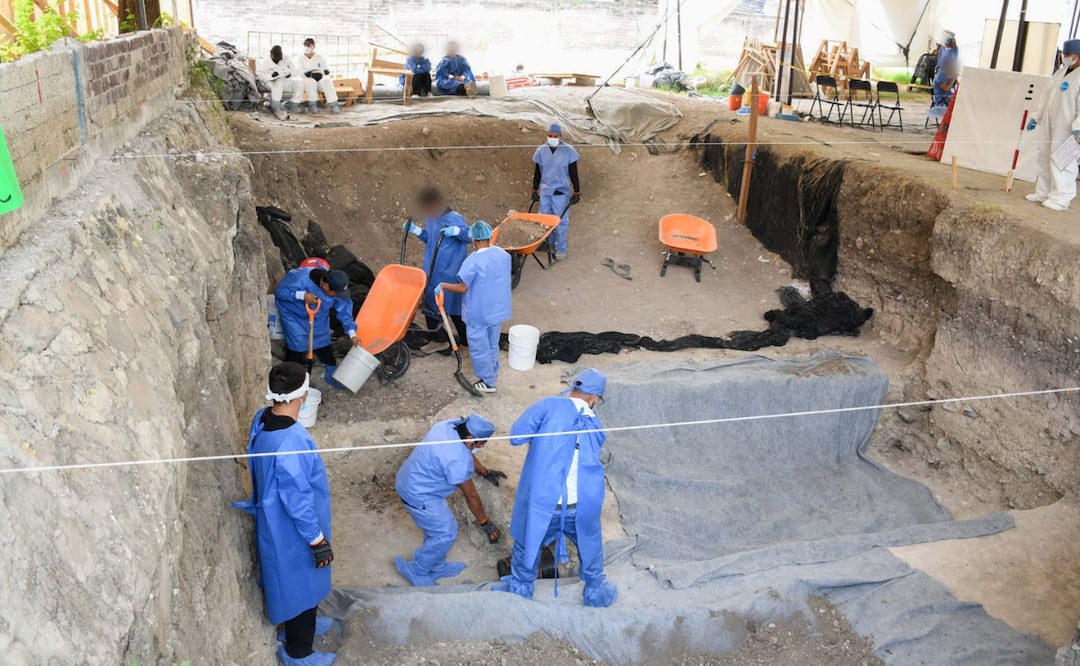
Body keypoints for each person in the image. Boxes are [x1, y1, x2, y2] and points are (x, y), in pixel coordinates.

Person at [234, 362, 337, 666]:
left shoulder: (262, 418)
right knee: (300, 583)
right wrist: (317, 540)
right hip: (291, 528)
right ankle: (297, 651)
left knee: (298, 582)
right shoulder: (291, 441)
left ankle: (302, 628)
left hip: (273, 518)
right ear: (303, 396)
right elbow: (297, 500)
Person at [493, 369, 617, 608]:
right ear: (593, 398)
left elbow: (516, 437)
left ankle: (520, 592)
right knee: (590, 545)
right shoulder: (595, 423)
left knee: (528, 544)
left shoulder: (549, 405)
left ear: (574, 389)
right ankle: (595, 593)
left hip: (544, 502)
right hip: (583, 503)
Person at [394, 414, 506, 586]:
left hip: (416, 479)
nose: (483, 446)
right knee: (445, 534)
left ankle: (436, 565)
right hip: (418, 493)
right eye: (482, 443)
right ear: (471, 439)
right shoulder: (457, 460)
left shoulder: (447, 426)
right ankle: (416, 570)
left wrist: (484, 472)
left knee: (439, 528)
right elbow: (471, 496)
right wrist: (485, 522)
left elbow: (466, 451)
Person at [435, 221, 512, 394]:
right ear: (489, 236)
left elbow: (463, 287)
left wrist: (444, 285)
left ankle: (488, 382)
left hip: (479, 311)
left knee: (479, 347)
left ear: (474, 240)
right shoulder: (502, 254)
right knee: (493, 344)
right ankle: (493, 373)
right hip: (498, 308)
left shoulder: (473, 261)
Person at [273, 266, 362, 389]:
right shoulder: (300, 277)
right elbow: (280, 292)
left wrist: (353, 335)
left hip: (318, 316)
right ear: (325, 286)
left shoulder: (337, 290)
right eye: (335, 293)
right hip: (293, 316)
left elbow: (345, 311)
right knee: (297, 345)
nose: (338, 296)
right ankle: (292, 379)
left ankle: (331, 371)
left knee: (323, 340)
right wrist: (302, 295)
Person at [403, 187, 470, 348]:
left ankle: (467, 341)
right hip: (433, 272)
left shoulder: (454, 219)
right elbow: (431, 240)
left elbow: (470, 236)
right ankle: (439, 340)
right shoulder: (431, 220)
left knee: (455, 309)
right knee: (432, 308)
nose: (427, 212)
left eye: (428, 208)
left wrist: (457, 231)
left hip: (451, 274)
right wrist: (417, 231)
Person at [1025, 39, 1080, 211]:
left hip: (1069, 128)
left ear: (1078, 56)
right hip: (1051, 123)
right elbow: (1046, 97)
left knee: (1063, 160)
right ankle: (1044, 191)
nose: (1064, 58)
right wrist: (1037, 116)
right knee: (1044, 156)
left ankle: (1061, 198)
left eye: (1068, 55)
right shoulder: (1060, 73)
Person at [532, 124, 581, 261]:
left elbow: (573, 173)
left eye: (555, 136)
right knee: (544, 220)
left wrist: (577, 191)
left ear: (561, 137)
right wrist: (534, 189)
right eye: (550, 136)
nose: (552, 138)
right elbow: (537, 172)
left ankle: (561, 248)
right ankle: (549, 242)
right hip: (546, 191)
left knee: (560, 221)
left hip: (560, 191)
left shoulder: (568, 151)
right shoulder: (541, 151)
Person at [291, 38, 340, 115]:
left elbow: (325, 68)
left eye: (309, 45)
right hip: (308, 80)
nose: (307, 47)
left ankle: (333, 104)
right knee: (311, 82)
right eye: (306, 45)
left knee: (327, 81)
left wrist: (326, 71)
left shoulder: (319, 57)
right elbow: (299, 71)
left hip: (319, 79)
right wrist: (306, 74)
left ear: (313, 46)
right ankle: (312, 105)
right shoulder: (300, 58)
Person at [257, 45, 296, 120]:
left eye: (279, 59)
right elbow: (261, 76)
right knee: (277, 84)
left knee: (295, 85)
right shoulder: (265, 62)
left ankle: (279, 105)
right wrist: (271, 76)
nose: (278, 61)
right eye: (276, 59)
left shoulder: (286, 58)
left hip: (284, 80)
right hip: (270, 82)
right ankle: (276, 107)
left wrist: (289, 74)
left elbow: (293, 69)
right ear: (271, 55)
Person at [932, 30, 959, 108]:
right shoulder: (940, 76)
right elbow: (946, 88)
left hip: (949, 101)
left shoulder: (953, 51)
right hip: (943, 103)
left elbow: (954, 48)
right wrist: (953, 78)